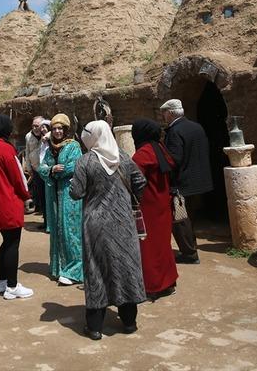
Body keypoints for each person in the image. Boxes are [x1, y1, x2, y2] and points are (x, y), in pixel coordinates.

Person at [69, 121, 147, 340]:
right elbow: (140, 183)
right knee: (126, 268)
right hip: (123, 224)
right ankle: (129, 322)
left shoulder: (85, 162)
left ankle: (94, 328)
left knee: (97, 271)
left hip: (95, 225)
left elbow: (76, 192)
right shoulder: (123, 158)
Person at [0, 114, 34, 300]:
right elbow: (18, 177)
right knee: (12, 244)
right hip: (8, 202)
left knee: (6, 242)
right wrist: (26, 195)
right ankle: (12, 286)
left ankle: (1, 281)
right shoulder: (5, 149)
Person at [160, 99, 213, 265]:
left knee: (180, 219)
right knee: (191, 217)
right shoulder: (196, 127)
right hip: (199, 180)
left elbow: (174, 159)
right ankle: (192, 246)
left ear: (170, 113)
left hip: (182, 183)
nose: (163, 116)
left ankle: (189, 253)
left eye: (164, 113)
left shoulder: (175, 131)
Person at [131, 119, 179, 300]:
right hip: (162, 204)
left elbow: (134, 179)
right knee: (163, 245)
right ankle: (168, 281)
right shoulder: (160, 148)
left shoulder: (143, 153)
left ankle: (153, 285)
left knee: (148, 247)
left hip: (148, 207)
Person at [38, 113, 84, 286]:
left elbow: (76, 165)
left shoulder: (73, 146)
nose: (57, 131)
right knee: (57, 230)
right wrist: (51, 170)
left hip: (69, 192)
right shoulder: (50, 148)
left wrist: (58, 171)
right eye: (54, 128)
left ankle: (75, 270)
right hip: (54, 194)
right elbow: (42, 167)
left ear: (65, 130)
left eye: (60, 128)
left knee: (70, 230)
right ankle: (59, 268)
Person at [23, 116, 47, 227]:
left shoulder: (48, 135)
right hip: (36, 169)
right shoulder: (28, 136)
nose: (34, 128)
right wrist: (28, 168)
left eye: (37, 126)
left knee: (49, 196)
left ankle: (50, 221)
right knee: (40, 195)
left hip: (46, 169)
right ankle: (45, 221)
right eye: (33, 125)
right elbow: (27, 152)